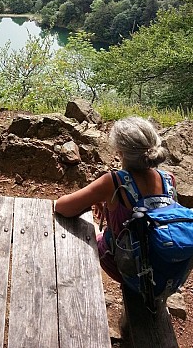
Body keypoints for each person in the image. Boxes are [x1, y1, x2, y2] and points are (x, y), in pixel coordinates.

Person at [55, 116, 171, 283]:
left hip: (126, 267)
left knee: (90, 227)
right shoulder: (169, 179)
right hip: (164, 265)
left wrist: (97, 198)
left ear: (120, 152)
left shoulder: (114, 181)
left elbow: (62, 207)